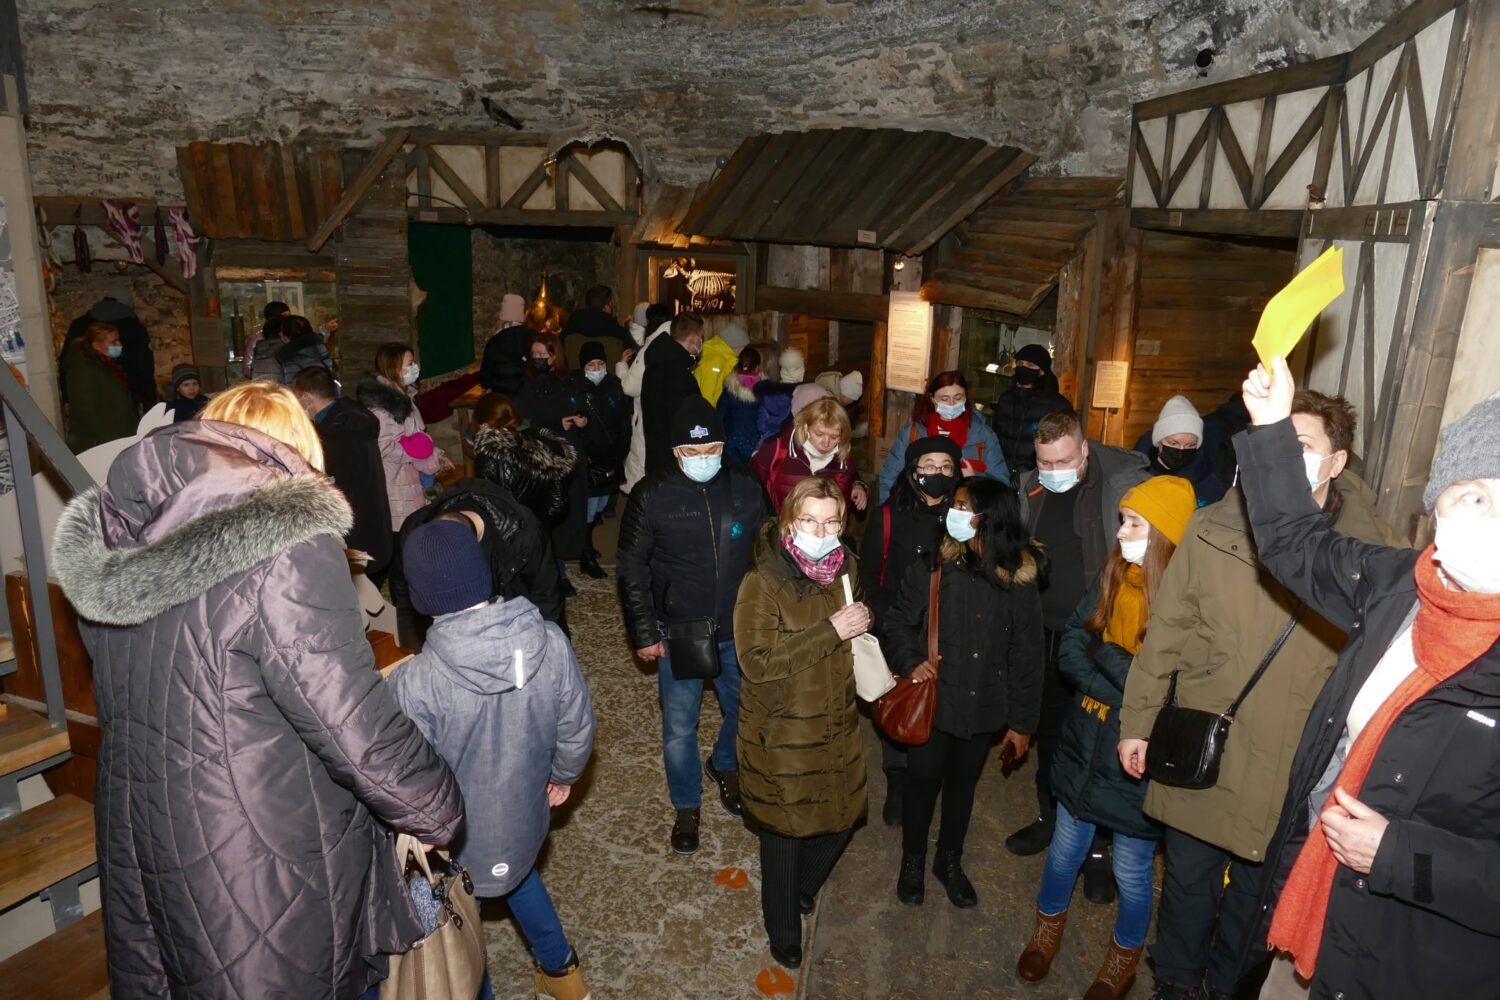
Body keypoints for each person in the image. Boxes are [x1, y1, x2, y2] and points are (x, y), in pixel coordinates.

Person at [50, 381, 463, 999]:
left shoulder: (125, 540)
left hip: (142, 830)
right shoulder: (286, 545)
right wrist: (436, 807)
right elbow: (349, 717)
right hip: (253, 841)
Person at [1118, 391, 1401, 1000]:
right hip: (1205, 743)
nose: (1284, 458)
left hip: (1292, 766)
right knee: (1188, 886)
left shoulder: (1376, 558)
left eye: (1302, 446)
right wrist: (1137, 722)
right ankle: (1175, 984)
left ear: (1336, 462)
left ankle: (1228, 988)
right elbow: (1167, 633)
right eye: (1276, 442)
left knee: (1255, 904)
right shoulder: (1214, 525)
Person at [1229, 365, 1500, 1000]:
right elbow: (1294, 542)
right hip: (1314, 902)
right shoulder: (1398, 585)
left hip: (1420, 963)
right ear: (1437, 505)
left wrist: (1400, 856)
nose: (1491, 520)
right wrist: (1272, 428)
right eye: (1474, 495)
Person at [390, 520, 595, 1000]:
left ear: (420, 596)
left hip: (456, 842)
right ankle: (564, 977)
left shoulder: (415, 682)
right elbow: (577, 724)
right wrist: (565, 775)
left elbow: (410, 776)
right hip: (526, 816)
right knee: (519, 876)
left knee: (459, 923)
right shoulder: (550, 640)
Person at [1018, 475, 1196, 1000]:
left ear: (1165, 533)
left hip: (1138, 755)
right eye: (1122, 520)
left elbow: (1168, 686)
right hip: (1085, 737)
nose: (1120, 532)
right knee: (1064, 849)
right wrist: (1123, 680)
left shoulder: (1189, 604)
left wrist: (1108, 656)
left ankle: (1122, 961)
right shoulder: (1112, 573)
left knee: (1133, 868)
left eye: (1134, 523)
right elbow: (1074, 644)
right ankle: (1045, 933)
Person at [1006, 410, 1149, 903]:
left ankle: (1098, 852)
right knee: (1050, 735)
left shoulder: (1124, 486)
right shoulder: (1030, 487)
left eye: (1063, 461)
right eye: (1045, 463)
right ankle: (1050, 818)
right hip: (1042, 635)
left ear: (1084, 449)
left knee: (1101, 744)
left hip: (1098, 639)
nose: (1053, 471)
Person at [884, 477, 1045, 909]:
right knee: (921, 783)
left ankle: (948, 860)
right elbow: (898, 622)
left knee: (962, 787)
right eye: (953, 505)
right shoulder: (933, 567)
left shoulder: (1017, 581)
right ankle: (913, 860)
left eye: (962, 506)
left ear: (989, 518)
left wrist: (1022, 724)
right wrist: (909, 660)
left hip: (984, 706)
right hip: (935, 702)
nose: (951, 513)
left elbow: (1028, 656)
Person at [617, 397, 767, 855]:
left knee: (747, 711)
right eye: (692, 452)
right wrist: (644, 632)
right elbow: (631, 568)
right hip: (678, 629)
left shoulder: (746, 485)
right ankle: (686, 805)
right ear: (675, 451)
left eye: (711, 450)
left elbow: (768, 549)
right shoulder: (652, 494)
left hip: (737, 628)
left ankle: (724, 764)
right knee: (680, 728)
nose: (703, 459)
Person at [734, 475, 871, 970]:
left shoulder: (845, 567)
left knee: (846, 813)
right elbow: (756, 663)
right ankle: (783, 928)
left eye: (831, 522)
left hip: (835, 720)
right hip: (782, 729)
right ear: (789, 521)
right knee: (785, 831)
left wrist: (860, 623)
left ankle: (803, 888)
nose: (821, 531)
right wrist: (830, 630)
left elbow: (851, 628)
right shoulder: (762, 581)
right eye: (810, 521)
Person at [859, 436, 962, 825]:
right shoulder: (888, 516)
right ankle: (898, 780)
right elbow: (870, 575)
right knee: (901, 706)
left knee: (943, 709)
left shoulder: (964, 518)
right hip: (899, 631)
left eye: (946, 466)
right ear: (913, 470)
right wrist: (890, 626)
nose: (938, 473)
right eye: (929, 465)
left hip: (948, 635)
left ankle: (931, 780)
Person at [291, 366, 393, 573]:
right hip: (373, 527)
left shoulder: (330, 436)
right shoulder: (357, 420)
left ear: (307, 398)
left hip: (349, 536)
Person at [518, 333, 590, 593]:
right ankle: (555, 572)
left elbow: (581, 406)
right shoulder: (529, 384)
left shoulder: (570, 380)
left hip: (570, 452)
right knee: (550, 515)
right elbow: (524, 422)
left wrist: (582, 419)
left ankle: (572, 556)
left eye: (543, 354)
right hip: (545, 456)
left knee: (572, 510)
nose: (538, 359)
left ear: (554, 355)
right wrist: (555, 424)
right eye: (534, 355)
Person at [355, 342, 449, 539]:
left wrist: (435, 454)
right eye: (410, 363)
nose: (415, 367)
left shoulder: (404, 398)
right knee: (404, 536)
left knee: (416, 530)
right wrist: (418, 454)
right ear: (394, 367)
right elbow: (384, 446)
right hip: (397, 482)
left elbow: (417, 435)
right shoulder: (384, 406)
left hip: (410, 477)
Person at [877, 370, 1010, 502]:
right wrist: (888, 512)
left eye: (958, 398)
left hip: (963, 510)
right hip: (918, 510)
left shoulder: (983, 435)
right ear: (932, 399)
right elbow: (890, 478)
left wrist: (974, 483)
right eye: (944, 399)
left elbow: (1002, 483)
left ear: (966, 397)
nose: (952, 404)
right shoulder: (914, 432)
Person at [471, 392, 578, 527]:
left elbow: (492, 510)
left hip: (513, 533)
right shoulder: (538, 442)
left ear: (481, 423)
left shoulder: (488, 458)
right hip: (541, 528)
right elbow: (559, 502)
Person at [573, 340, 630, 579]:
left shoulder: (614, 385)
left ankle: (585, 542)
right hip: (589, 457)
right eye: (591, 365)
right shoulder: (576, 389)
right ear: (583, 366)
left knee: (602, 503)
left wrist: (623, 447)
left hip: (611, 455)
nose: (596, 369)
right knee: (589, 507)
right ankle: (585, 553)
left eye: (600, 364)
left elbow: (623, 418)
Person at [751, 395, 868, 513]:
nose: (826, 443)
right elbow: (752, 484)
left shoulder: (844, 461)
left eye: (834, 437)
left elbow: (841, 508)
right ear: (806, 427)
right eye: (819, 434)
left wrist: (857, 485)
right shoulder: (778, 449)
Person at [63, 281, 156, 414]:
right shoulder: (133, 328)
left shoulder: (79, 325)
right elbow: (144, 369)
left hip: (87, 403)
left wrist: (67, 398)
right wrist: (150, 405)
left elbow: (66, 363)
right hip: (124, 400)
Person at [992, 344, 1072, 480]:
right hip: (1002, 475)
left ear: (1042, 371)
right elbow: (996, 436)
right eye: (1020, 363)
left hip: (1036, 477)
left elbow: (1064, 446)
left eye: (1030, 365)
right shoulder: (1006, 400)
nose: (1024, 368)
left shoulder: (1057, 405)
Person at [640, 312, 706, 474]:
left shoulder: (655, 366)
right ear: (693, 339)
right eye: (701, 337)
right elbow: (688, 422)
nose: (702, 342)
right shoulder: (679, 376)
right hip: (676, 464)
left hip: (657, 459)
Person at [1135, 394, 1226, 508]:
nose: (1181, 449)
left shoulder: (1210, 485)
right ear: (1158, 441)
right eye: (1173, 443)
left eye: (1190, 445)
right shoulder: (1135, 476)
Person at [61, 321, 138, 452]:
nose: (119, 345)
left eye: (118, 340)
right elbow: (86, 410)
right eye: (113, 342)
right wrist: (110, 441)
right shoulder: (83, 370)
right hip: (102, 442)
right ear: (96, 345)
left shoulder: (106, 365)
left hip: (115, 436)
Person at [480, 292, 533, 398]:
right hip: (529, 393)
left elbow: (485, 378)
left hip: (501, 395)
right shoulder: (534, 337)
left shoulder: (494, 341)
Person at [718, 346, 763, 465]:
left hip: (731, 442)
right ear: (757, 367)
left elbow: (720, 414)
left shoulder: (729, 388)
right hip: (756, 442)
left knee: (734, 473)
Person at [753, 347, 804, 445]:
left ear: (782, 371)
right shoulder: (810, 394)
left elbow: (761, 426)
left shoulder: (768, 395)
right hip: (798, 444)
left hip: (772, 444)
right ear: (802, 371)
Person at [694, 322, 749, 406]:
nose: (743, 349)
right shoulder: (715, 361)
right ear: (735, 344)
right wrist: (711, 413)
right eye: (743, 346)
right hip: (707, 410)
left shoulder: (725, 359)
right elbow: (706, 394)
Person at [276, 314, 334, 385]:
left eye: (282, 332)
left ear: (288, 335)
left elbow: (291, 385)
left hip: (306, 391)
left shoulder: (290, 357)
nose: (280, 334)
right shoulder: (320, 347)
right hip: (326, 389)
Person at [242, 299, 290, 380]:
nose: (288, 319)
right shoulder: (257, 339)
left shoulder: (288, 337)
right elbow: (247, 369)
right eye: (285, 316)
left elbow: (247, 369)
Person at [249, 314, 287, 382]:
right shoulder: (284, 350)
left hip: (259, 387)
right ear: (282, 333)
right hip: (277, 387)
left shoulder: (259, 349)